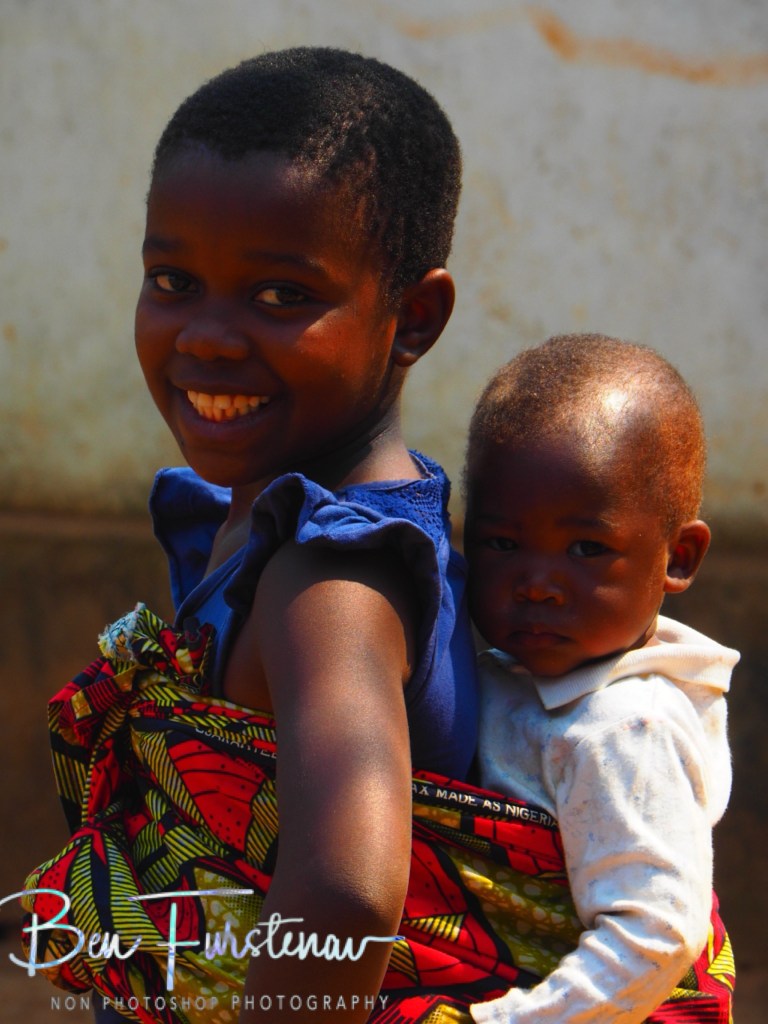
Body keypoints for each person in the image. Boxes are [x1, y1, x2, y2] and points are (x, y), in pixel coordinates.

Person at [21, 47, 477, 1024]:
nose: (208, 335)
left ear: (412, 317)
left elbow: (346, 894)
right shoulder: (269, 517)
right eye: (173, 279)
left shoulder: (329, 577)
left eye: (280, 296)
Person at [461, 333, 738, 1023]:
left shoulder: (625, 727)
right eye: (502, 543)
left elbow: (655, 936)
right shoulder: (505, 676)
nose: (537, 583)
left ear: (678, 557)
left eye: (587, 548)